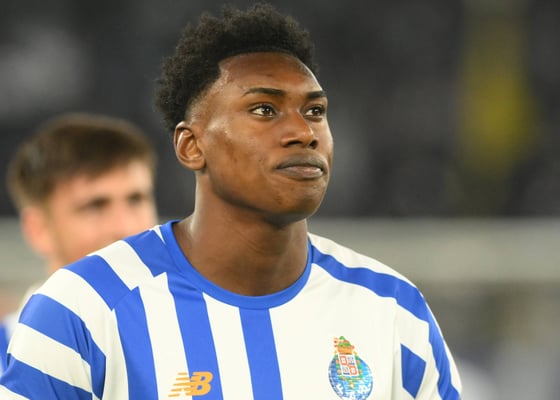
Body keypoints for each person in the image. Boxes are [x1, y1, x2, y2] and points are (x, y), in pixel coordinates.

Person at [0, 4, 462, 399]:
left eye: (315, 111)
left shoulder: (393, 311)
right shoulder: (81, 309)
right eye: (264, 109)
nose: (303, 132)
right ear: (191, 146)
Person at [0, 112, 159, 374]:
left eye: (136, 200)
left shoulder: (203, 331)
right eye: (95, 206)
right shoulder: (8, 360)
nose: (126, 227)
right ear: (39, 229)